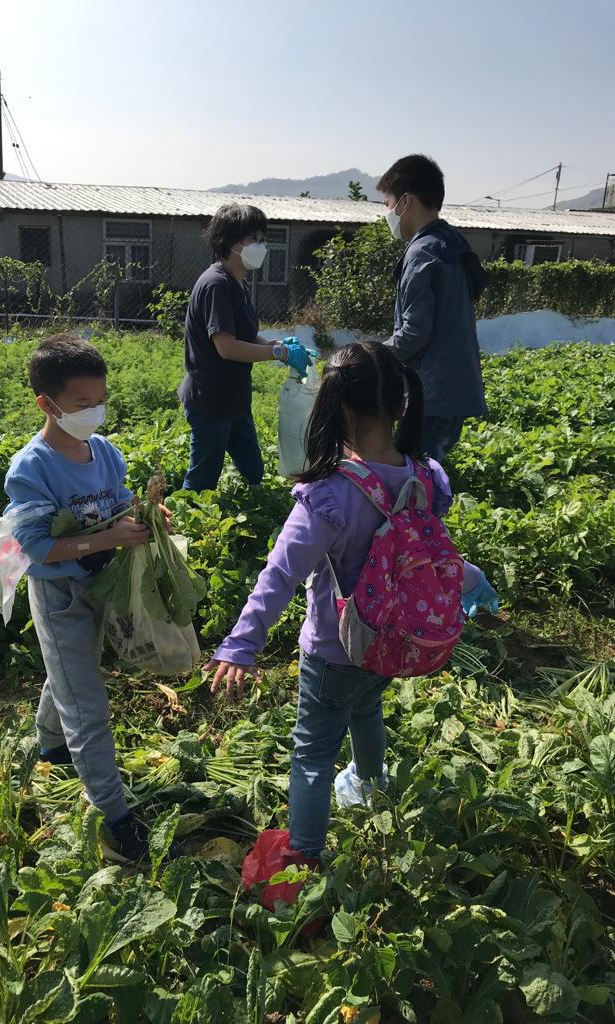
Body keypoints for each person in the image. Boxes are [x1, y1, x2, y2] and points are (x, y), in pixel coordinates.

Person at [206, 342, 498, 858]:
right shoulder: (425, 476)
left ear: (335, 405)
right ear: (402, 405)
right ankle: (371, 785)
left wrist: (241, 644)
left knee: (312, 752)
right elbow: (429, 552)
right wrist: (471, 581)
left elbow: (280, 575)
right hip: (394, 639)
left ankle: (303, 856)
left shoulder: (328, 496)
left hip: (335, 647)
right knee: (367, 710)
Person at [2, 332, 169, 861]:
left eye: (100, 402)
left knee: (71, 672)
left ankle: (49, 744)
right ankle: (115, 816)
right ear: (45, 403)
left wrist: (143, 516)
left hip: (102, 584)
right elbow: (34, 547)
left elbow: (117, 504)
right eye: (81, 405)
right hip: (60, 596)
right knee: (88, 702)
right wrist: (104, 540)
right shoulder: (31, 468)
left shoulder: (105, 452)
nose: (94, 412)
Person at [179, 203, 312, 491]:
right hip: (211, 399)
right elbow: (226, 347)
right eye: (254, 239)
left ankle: (259, 511)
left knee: (253, 468)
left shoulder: (236, 282)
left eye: (262, 238)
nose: (261, 245)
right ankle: (181, 525)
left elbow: (245, 336)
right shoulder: (217, 285)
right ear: (229, 241)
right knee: (203, 478)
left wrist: (277, 344)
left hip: (233, 397)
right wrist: (278, 353)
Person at [377, 154, 488, 462]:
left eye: (387, 204)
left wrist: (372, 356)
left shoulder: (421, 253)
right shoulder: (450, 241)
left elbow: (414, 332)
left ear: (405, 201)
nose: (387, 213)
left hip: (432, 393)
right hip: (454, 387)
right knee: (425, 472)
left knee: (414, 482)